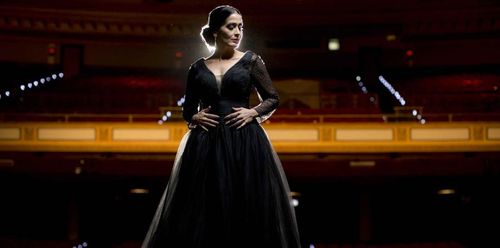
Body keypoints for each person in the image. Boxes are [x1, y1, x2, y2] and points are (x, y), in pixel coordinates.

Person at [142, 5, 301, 248]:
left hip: (244, 139)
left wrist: (253, 112)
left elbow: (272, 98)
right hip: (206, 143)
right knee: (203, 208)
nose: (238, 32)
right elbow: (188, 109)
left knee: (245, 204)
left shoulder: (251, 61)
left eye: (241, 27)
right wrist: (193, 118)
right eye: (231, 26)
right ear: (216, 30)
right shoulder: (196, 68)